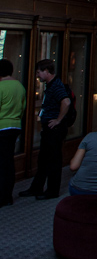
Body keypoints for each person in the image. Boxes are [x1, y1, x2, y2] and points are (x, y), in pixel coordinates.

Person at [18, 59, 71, 200]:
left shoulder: (56, 86)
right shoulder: (51, 85)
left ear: (47, 72)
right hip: (49, 127)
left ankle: (52, 191)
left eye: (39, 72)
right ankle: (37, 187)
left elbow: (66, 102)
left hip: (54, 128)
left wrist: (58, 119)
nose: (38, 75)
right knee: (43, 159)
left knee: (53, 159)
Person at [0, 58, 26, 207]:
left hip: (1, 127)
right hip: (15, 126)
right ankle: (7, 195)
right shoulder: (19, 86)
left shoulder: (1, 87)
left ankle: (2, 196)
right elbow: (22, 108)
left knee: (1, 163)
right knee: (9, 161)